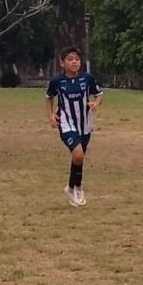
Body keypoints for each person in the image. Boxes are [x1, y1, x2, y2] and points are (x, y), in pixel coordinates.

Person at [46, 46, 104, 207]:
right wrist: (51, 116)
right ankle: (77, 188)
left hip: (84, 124)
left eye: (77, 59)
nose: (74, 62)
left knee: (78, 158)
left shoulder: (87, 79)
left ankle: (73, 187)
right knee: (78, 154)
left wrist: (96, 103)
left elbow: (99, 94)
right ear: (62, 63)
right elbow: (49, 97)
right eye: (70, 59)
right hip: (66, 123)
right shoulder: (57, 81)